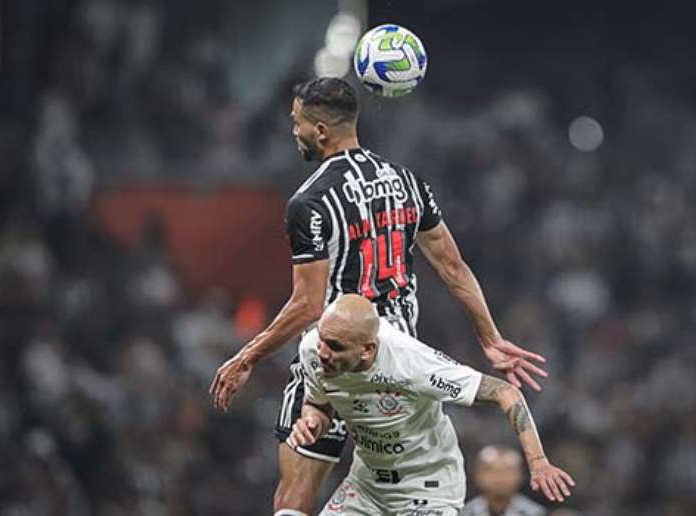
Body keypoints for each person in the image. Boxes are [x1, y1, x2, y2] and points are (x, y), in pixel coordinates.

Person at [209, 77, 547, 515]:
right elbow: (452, 266)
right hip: (396, 359)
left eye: (297, 123)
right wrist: (489, 336)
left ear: (322, 131)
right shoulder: (407, 181)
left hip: (338, 356)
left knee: (291, 501)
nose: (294, 131)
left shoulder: (309, 201)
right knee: (403, 492)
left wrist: (247, 357)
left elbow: (309, 305)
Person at [287, 294, 575, 515]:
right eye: (322, 340)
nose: (323, 353)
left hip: (427, 487)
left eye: (335, 346)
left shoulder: (413, 364)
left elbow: (505, 392)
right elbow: (319, 405)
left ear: (367, 350)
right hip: (367, 485)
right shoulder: (312, 349)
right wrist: (312, 421)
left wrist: (538, 462)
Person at [461, 446, 547, 516]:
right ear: (477, 475)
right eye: (490, 470)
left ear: (520, 475)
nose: (499, 477)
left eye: (507, 470)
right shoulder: (463, 513)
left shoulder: (535, 513)